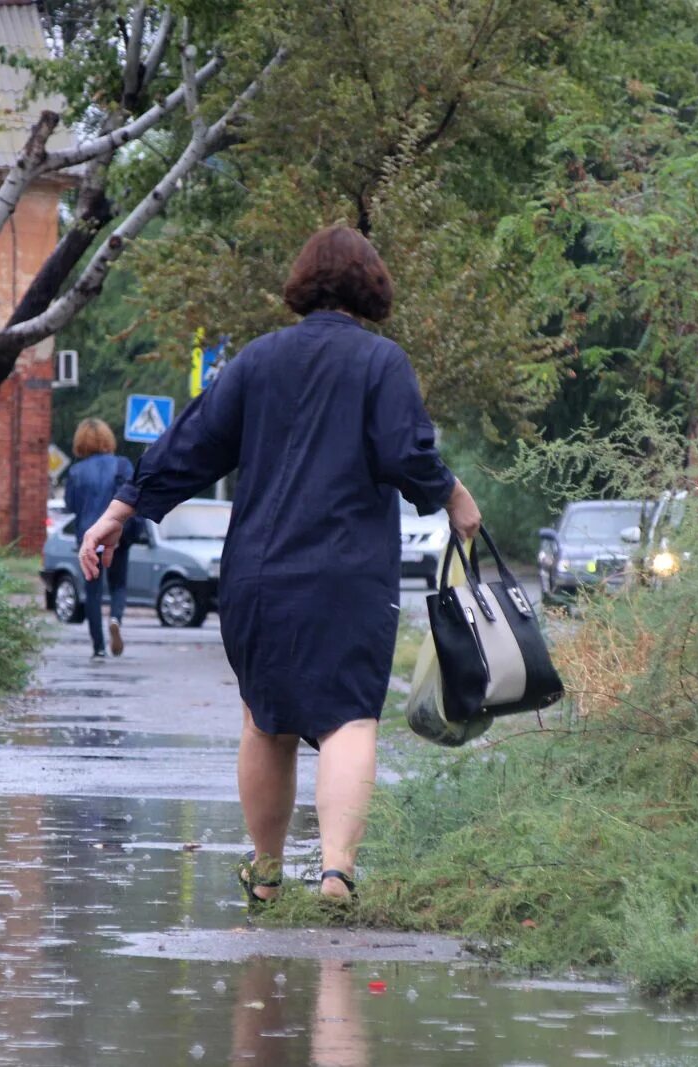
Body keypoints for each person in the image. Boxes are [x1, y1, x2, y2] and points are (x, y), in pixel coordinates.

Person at [79, 226, 481, 901]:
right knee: (349, 717)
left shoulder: (256, 361)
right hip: (349, 574)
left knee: (266, 720)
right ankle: (335, 870)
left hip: (257, 574)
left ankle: (266, 873)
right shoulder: (381, 362)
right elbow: (406, 453)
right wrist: (453, 495)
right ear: (371, 286)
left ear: (302, 283)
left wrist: (120, 511)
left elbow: (193, 444)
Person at [64, 417, 134, 659]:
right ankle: (115, 618)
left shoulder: (75, 471)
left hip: (89, 536)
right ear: (107, 439)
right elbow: (132, 496)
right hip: (116, 534)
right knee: (118, 585)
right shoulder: (122, 465)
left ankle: (99, 647)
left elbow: (70, 505)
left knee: (92, 592)